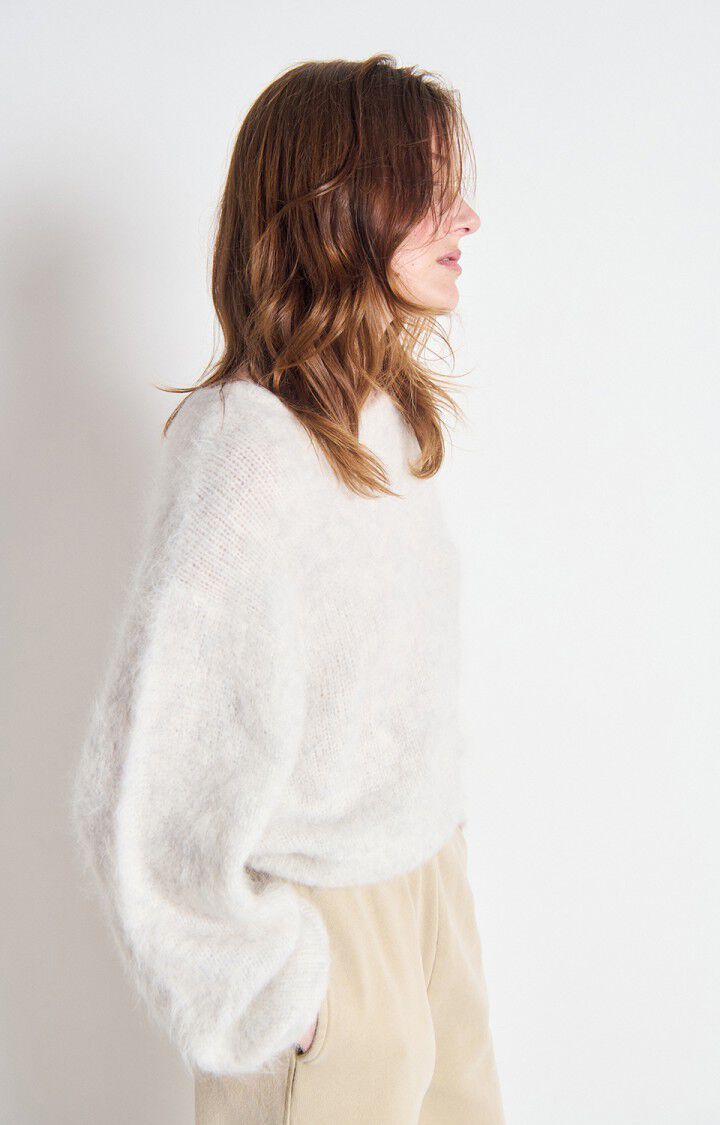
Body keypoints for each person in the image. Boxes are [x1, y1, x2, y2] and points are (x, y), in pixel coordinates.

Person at [70, 53, 506, 1124]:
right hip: (330, 933)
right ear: (337, 205)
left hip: (429, 894)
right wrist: (278, 994)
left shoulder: (378, 419)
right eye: (427, 187)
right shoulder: (248, 451)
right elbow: (136, 784)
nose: (467, 218)